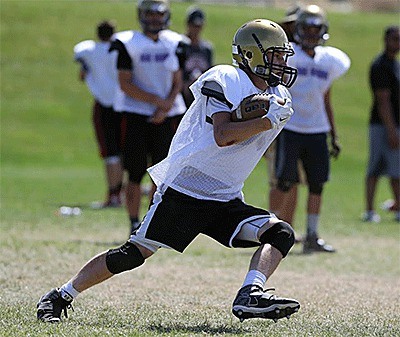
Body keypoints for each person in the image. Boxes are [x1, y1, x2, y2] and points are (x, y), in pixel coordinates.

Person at [37, 18, 301, 324]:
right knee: (133, 254)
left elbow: (252, 132)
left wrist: (266, 118)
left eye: (283, 56)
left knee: (280, 233)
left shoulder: (278, 94)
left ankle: (250, 295)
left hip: (225, 197)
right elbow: (223, 134)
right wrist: (265, 120)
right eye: (276, 56)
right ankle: (60, 295)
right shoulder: (225, 76)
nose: (282, 63)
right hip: (185, 191)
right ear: (252, 55)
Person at [272, 5, 351, 253]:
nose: (311, 33)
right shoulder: (289, 54)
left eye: (316, 28)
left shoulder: (329, 60)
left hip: (317, 129)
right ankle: (271, 230)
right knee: (284, 181)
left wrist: (333, 133)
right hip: (291, 126)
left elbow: (325, 98)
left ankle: (312, 235)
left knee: (317, 184)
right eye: (306, 28)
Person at [109, 0, 187, 233]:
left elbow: (178, 80)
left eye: (158, 14)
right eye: (149, 14)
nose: (154, 19)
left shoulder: (175, 42)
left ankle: (153, 221)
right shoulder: (127, 43)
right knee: (134, 171)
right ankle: (134, 220)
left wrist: (165, 106)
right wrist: (156, 102)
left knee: (162, 172)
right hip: (137, 114)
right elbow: (125, 83)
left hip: (167, 115)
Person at [73, 20, 124, 208]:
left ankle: (113, 194)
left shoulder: (89, 51)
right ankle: (120, 193)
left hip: (103, 106)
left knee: (110, 153)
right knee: (121, 152)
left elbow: (82, 70)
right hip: (122, 104)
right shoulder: (120, 49)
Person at [267, 4, 304, 240]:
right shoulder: (278, 55)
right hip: (281, 126)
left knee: (296, 180)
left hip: (303, 127)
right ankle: (270, 223)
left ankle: (286, 227)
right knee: (279, 179)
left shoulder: (309, 54)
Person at [362, 25, 400, 223]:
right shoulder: (381, 66)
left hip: (394, 124)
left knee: (396, 169)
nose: (397, 43)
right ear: (386, 40)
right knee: (375, 167)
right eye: (394, 39)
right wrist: (391, 130)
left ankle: (397, 205)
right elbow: (383, 100)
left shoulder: (395, 65)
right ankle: (369, 210)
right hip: (382, 124)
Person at [181, 6, 214, 108]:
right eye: (194, 25)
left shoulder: (206, 48)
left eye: (198, 26)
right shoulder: (180, 46)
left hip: (200, 93)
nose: (196, 29)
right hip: (182, 95)